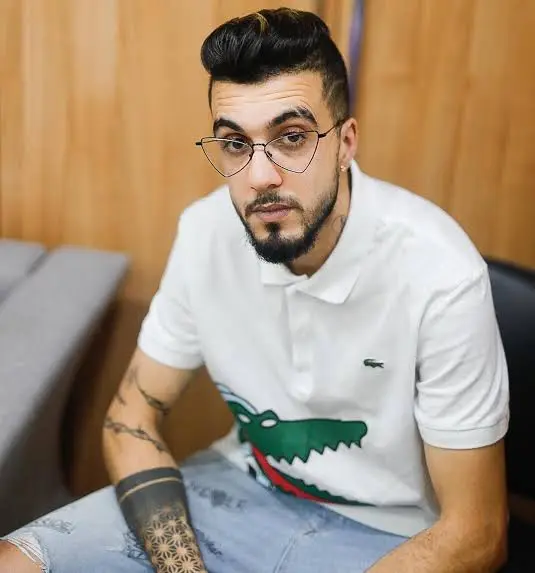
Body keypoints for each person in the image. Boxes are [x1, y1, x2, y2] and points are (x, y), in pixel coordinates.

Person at [0, 7, 510, 573]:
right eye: (236, 144)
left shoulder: (439, 271)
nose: (260, 176)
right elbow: (129, 421)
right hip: (239, 489)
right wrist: (182, 567)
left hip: (392, 535)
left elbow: (478, 533)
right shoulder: (206, 231)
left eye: (291, 138)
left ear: (346, 143)